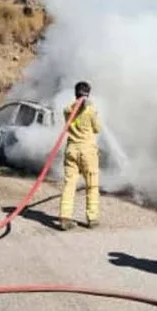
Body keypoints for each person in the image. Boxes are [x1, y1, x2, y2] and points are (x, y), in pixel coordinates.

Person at [59, 81, 102, 231]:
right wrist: (93, 111)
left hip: (71, 150)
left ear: (75, 93)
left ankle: (65, 218)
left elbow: (70, 115)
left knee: (69, 184)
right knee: (92, 185)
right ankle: (92, 218)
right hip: (87, 151)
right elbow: (97, 129)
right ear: (88, 93)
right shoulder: (90, 110)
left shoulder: (67, 110)